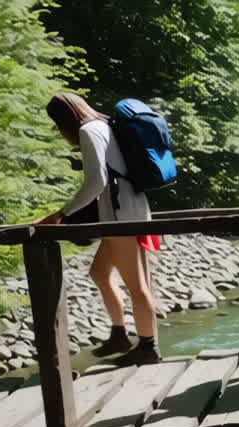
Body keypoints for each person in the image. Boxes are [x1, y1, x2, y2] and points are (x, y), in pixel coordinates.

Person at [38, 92, 161, 365]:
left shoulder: (88, 131)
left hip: (121, 216)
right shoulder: (104, 125)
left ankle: (148, 347)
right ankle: (119, 335)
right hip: (127, 211)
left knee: (137, 286)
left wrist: (61, 214)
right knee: (99, 272)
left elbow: (96, 181)